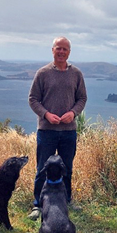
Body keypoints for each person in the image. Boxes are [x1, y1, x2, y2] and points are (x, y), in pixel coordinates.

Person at [27, 36, 87, 220]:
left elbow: (82, 99)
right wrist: (46, 114)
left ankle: (66, 200)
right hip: (46, 131)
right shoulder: (42, 73)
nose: (61, 52)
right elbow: (33, 99)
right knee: (42, 168)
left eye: (65, 49)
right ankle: (38, 204)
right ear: (52, 50)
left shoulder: (76, 73)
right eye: (58, 48)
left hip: (68, 131)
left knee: (67, 168)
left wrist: (73, 113)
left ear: (69, 52)